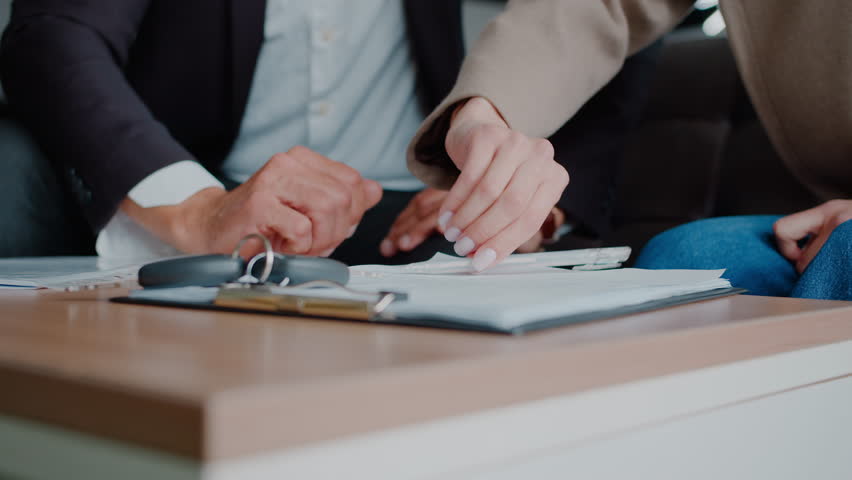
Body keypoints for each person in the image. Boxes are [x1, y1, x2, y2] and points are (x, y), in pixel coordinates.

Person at [0, 0, 659, 267]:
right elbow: (56, 36)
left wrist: (518, 194)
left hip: (422, 212)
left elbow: (603, 20)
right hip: (207, 190)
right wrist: (195, 208)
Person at [405, 0, 851, 298]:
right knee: (687, 259)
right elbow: (595, 7)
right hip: (817, 214)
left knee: (842, 255)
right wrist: (483, 114)